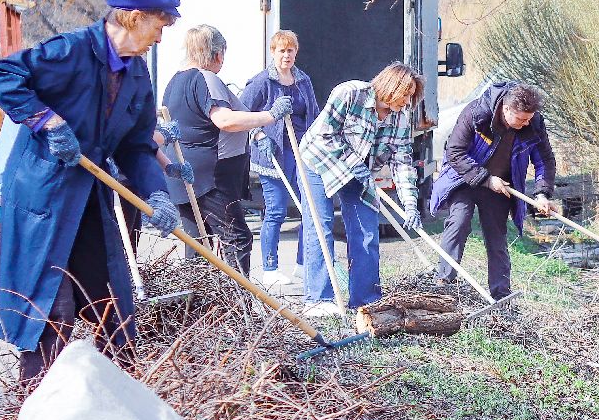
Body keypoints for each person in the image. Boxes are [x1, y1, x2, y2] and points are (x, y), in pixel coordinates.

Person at [0, 0, 184, 381]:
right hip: (44, 198)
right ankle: (40, 406)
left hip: (88, 198)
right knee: (50, 311)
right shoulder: (70, 51)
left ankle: (113, 398)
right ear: (132, 18)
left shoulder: (137, 76)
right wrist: (47, 121)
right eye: (159, 27)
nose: (161, 38)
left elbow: (136, 147)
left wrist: (158, 196)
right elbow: (0, 76)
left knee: (112, 302)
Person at [297, 63, 424, 316]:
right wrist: (355, 164)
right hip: (319, 163)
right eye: (406, 94)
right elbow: (325, 133)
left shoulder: (401, 116)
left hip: (359, 173)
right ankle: (319, 300)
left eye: (412, 96)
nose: (408, 101)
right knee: (321, 228)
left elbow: (402, 161)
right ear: (391, 86)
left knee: (366, 232)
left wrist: (410, 203)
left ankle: (366, 300)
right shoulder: (350, 93)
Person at [163, 25, 287, 277]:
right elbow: (225, 120)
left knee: (199, 246)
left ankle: (200, 311)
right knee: (237, 239)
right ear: (217, 54)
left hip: (184, 176)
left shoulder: (174, 80)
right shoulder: (206, 78)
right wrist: (269, 116)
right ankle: (238, 307)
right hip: (210, 178)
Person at [429, 81, 557, 299]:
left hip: (501, 187)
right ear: (506, 109)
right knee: (459, 221)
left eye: (528, 119)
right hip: (465, 179)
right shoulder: (476, 113)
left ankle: (501, 296)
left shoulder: (533, 123)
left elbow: (544, 160)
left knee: (497, 237)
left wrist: (542, 193)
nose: (526, 124)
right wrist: (486, 179)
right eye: (521, 119)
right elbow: (455, 152)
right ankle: (444, 283)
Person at [241, 30, 319, 292]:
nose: (287, 55)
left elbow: (314, 114)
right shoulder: (262, 82)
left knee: (308, 206)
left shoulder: (303, 80)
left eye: (291, 50)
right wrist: (258, 132)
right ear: (273, 52)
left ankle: (302, 263)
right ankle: (270, 269)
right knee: (276, 211)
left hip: (301, 151)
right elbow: (242, 113)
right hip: (273, 151)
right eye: (282, 51)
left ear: (296, 52)